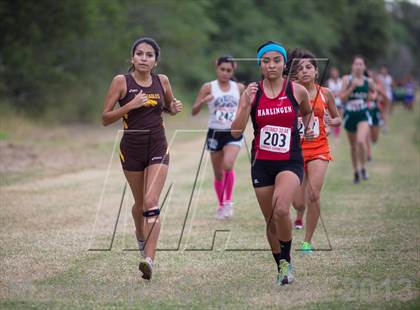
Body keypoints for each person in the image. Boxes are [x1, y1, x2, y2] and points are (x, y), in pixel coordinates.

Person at [231, 41, 314, 285]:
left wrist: (307, 128)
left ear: (284, 63)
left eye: (276, 60)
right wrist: (246, 103)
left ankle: (287, 263)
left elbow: (307, 112)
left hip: (290, 160)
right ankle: (280, 266)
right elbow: (235, 133)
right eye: (266, 61)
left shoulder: (296, 90)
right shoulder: (251, 91)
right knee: (270, 220)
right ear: (260, 65)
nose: (271, 65)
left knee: (281, 209)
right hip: (262, 163)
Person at [101, 37, 183, 280]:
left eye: (149, 55)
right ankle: (141, 239)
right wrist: (130, 105)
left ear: (156, 61)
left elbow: (167, 106)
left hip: (158, 146)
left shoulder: (162, 81)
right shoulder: (121, 82)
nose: (144, 58)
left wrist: (174, 108)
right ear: (132, 58)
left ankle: (149, 260)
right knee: (139, 205)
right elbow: (105, 118)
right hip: (132, 149)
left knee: (151, 201)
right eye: (140, 54)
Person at [287, 49, 341, 251]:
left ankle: (307, 241)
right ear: (295, 74)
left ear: (316, 71)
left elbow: (337, 118)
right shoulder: (291, 92)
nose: (305, 71)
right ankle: (299, 215)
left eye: (309, 67)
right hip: (296, 150)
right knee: (298, 202)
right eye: (300, 69)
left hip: (319, 147)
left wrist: (330, 120)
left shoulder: (325, 93)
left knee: (314, 194)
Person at [192, 56, 245, 219]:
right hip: (214, 132)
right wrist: (203, 101)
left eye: (228, 70)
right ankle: (221, 205)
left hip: (232, 133)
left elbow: (246, 108)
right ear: (217, 68)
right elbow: (194, 111)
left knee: (228, 164)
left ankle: (228, 202)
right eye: (222, 69)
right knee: (218, 173)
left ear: (233, 71)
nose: (225, 73)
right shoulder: (208, 87)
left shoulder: (239, 88)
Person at [340, 56, 375, 184]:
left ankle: (364, 167)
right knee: (353, 146)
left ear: (364, 66)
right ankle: (356, 171)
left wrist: (371, 97)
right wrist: (351, 88)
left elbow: (374, 93)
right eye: (356, 64)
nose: (358, 66)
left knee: (361, 141)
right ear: (352, 66)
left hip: (363, 114)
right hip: (350, 115)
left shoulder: (369, 81)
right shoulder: (346, 79)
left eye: (361, 64)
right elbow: (342, 98)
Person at [327, 66, 343, 139]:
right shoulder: (328, 82)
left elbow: (343, 91)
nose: (334, 74)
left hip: (339, 102)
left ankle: (337, 135)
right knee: (331, 117)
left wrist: (338, 94)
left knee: (338, 117)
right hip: (331, 102)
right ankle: (330, 132)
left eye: (335, 72)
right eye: (333, 72)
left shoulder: (341, 81)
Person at [377, 65, 393, 133]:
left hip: (388, 96)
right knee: (380, 111)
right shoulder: (379, 77)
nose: (383, 71)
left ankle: (385, 126)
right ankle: (382, 124)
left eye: (385, 70)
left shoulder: (389, 78)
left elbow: (391, 86)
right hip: (380, 96)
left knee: (385, 111)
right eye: (382, 69)